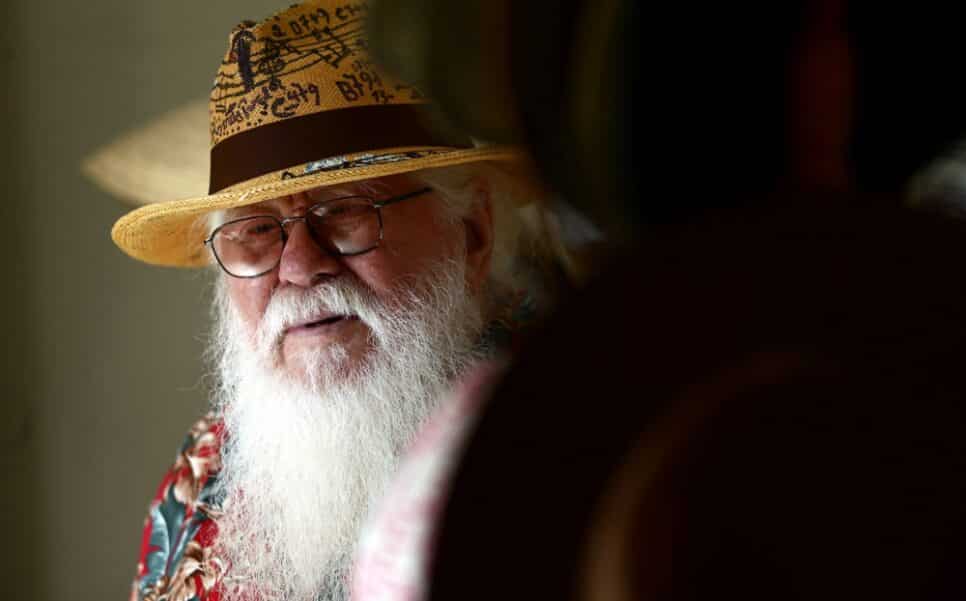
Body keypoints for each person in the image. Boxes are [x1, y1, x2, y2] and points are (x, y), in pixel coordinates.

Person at [111, 2, 565, 600]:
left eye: (347, 210)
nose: (300, 267)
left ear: (472, 231)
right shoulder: (205, 473)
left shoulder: (575, 438)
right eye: (256, 230)